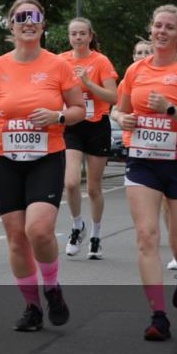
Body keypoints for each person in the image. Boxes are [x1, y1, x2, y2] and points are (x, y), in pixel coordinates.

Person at [0, 0, 86, 331]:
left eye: (35, 16)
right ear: (11, 25)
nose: (28, 21)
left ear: (43, 24)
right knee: (17, 238)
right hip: (4, 159)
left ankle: (52, 287)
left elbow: (79, 110)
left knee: (38, 229)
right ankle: (32, 307)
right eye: (20, 17)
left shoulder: (58, 66)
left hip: (46, 157)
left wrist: (58, 115)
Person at [115, 5, 177, 341]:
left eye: (169, 27)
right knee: (146, 236)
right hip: (143, 162)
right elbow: (119, 108)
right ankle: (159, 316)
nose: (161, 31)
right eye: (157, 25)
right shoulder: (136, 70)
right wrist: (121, 119)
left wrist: (171, 110)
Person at [60, 18, 119, 260]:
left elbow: (113, 96)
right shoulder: (61, 61)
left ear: (90, 35)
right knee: (71, 182)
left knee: (94, 188)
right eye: (73, 34)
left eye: (82, 33)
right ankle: (77, 227)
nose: (78, 38)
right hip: (72, 125)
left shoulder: (100, 61)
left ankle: (96, 235)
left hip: (97, 126)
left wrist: (87, 82)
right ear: (69, 37)